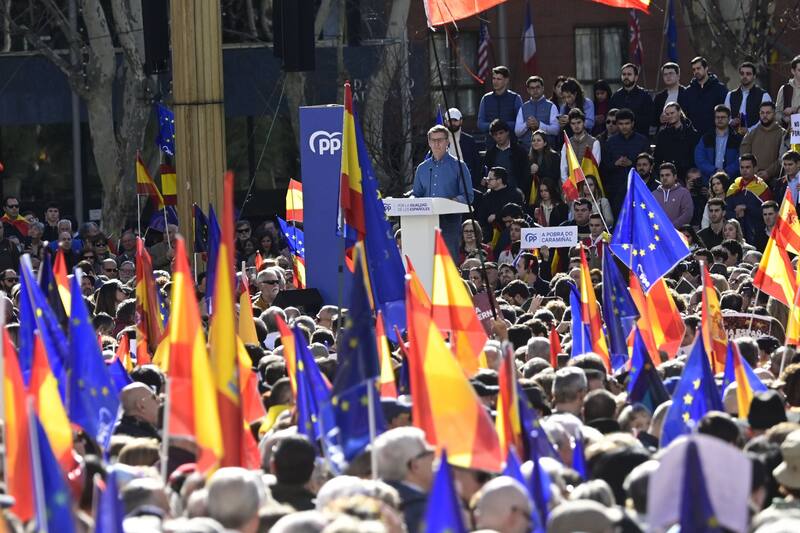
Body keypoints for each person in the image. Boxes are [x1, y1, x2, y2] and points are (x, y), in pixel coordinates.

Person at [411, 124, 474, 257]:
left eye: (440, 140)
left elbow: (468, 196)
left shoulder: (459, 166)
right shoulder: (422, 168)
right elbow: (416, 194)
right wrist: (411, 202)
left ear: (447, 142)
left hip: (449, 223)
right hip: (425, 222)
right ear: (429, 142)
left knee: (448, 261)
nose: (436, 144)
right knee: (425, 260)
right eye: (433, 140)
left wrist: (451, 201)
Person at [373, 427, 434, 533]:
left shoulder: (369, 505)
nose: (435, 459)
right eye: (430, 454)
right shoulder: (427, 511)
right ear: (415, 465)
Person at [601, 108, 650, 215]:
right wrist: (615, 164)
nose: (624, 126)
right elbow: (604, 166)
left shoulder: (642, 141)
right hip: (616, 190)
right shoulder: (610, 142)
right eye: (621, 123)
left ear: (632, 123)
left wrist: (632, 164)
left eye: (627, 123)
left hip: (638, 188)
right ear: (617, 124)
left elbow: (648, 165)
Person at [726, 154, 773, 244]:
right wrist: (736, 215)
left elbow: (767, 213)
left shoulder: (763, 188)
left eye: (748, 167)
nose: (744, 170)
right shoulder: (734, 187)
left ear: (755, 169)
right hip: (735, 236)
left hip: (757, 235)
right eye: (742, 167)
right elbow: (726, 210)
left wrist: (746, 207)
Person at [740, 101, 787, 183]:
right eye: (762, 113)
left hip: (775, 180)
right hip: (753, 179)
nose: (765, 115)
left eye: (768, 113)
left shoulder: (782, 133)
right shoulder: (752, 133)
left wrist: (768, 172)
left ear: (774, 114)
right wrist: (754, 171)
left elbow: (782, 158)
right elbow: (744, 153)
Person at [694, 104, 743, 183]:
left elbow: (740, 159)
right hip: (709, 181)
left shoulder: (737, 139)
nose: (720, 119)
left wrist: (726, 171)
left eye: (723, 117)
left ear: (729, 118)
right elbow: (699, 158)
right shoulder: (706, 138)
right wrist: (714, 170)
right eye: (717, 117)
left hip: (731, 181)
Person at [653, 102, 699, 180]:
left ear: (679, 112)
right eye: (667, 114)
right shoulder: (662, 134)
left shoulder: (691, 133)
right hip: (667, 176)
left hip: (686, 175)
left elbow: (694, 157)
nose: (670, 116)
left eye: (672, 113)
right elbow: (657, 157)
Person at [683, 56, 729, 135]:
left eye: (698, 68)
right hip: (693, 137)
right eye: (694, 69)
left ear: (706, 68)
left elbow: (726, 111)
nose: (696, 71)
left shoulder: (719, 89)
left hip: (714, 135)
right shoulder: (688, 91)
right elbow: (684, 115)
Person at [484, 119, 530, 194]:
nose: (498, 136)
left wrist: (522, 190)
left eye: (501, 133)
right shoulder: (490, 153)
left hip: (515, 192)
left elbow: (525, 174)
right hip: (496, 193)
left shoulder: (520, 151)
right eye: (495, 134)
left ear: (507, 132)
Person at [476, 166, 524, 239]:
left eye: (490, 179)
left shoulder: (515, 194)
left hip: (510, 231)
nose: (487, 181)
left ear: (499, 180)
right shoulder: (486, 196)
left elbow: (518, 214)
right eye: (487, 179)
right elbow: (481, 218)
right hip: (489, 233)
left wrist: (497, 216)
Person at [608, 63, 654, 137]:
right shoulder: (616, 96)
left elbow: (650, 119)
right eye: (624, 74)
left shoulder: (645, 96)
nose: (626, 77)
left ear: (636, 77)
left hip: (639, 139)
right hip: (619, 139)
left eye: (629, 74)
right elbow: (610, 118)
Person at [515, 76, 560, 150]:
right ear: (528, 90)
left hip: (547, 151)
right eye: (532, 88)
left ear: (543, 88)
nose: (535, 90)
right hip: (526, 151)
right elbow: (517, 132)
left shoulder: (551, 106)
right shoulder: (523, 108)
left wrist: (539, 125)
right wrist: (527, 124)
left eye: (538, 87)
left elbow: (556, 130)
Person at [724, 61, 772, 130]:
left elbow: (766, 118)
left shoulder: (763, 95)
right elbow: (725, 116)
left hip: (755, 137)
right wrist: (732, 122)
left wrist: (749, 131)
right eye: (742, 74)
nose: (744, 76)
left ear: (754, 76)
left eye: (748, 74)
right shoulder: (730, 95)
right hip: (734, 137)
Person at [560, 109, 601, 189]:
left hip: (589, 188)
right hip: (571, 187)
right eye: (573, 123)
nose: (576, 126)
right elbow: (563, 168)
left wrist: (587, 187)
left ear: (584, 122)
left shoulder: (594, 143)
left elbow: (595, 168)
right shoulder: (566, 144)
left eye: (579, 122)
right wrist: (568, 186)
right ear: (570, 125)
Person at [478, 65, 523, 137]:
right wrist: (495, 125)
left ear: (506, 80)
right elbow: (480, 124)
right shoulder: (486, 98)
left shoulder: (515, 98)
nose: (495, 82)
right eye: (494, 78)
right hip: (491, 143)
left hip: (511, 142)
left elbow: (520, 123)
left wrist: (503, 125)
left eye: (499, 79)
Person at [444, 107, 481, 189]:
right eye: (450, 121)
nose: (453, 123)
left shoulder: (469, 140)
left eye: (455, 120)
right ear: (445, 122)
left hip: (466, 182)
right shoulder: (441, 140)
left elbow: (477, 164)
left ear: (461, 121)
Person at [653, 162, 693, 228]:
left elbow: (687, 215)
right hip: (658, 234)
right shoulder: (653, 195)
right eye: (662, 175)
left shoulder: (684, 193)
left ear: (675, 176)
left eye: (667, 175)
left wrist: (670, 228)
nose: (664, 178)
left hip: (678, 234)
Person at [652, 62, 689, 129]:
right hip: (663, 135)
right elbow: (652, 120)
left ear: (678, 75)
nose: (668, 76)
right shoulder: (659, 97)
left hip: (683, 134)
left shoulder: (687, 94)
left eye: (671, 73)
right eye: (665, 74)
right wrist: (660, 120)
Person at [775, 54, 800, 127]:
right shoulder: (784, 89)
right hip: (790, 133)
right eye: (799, 70)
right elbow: (777, 112)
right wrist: (783, 118)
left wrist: (793, 109)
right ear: (793, 71)